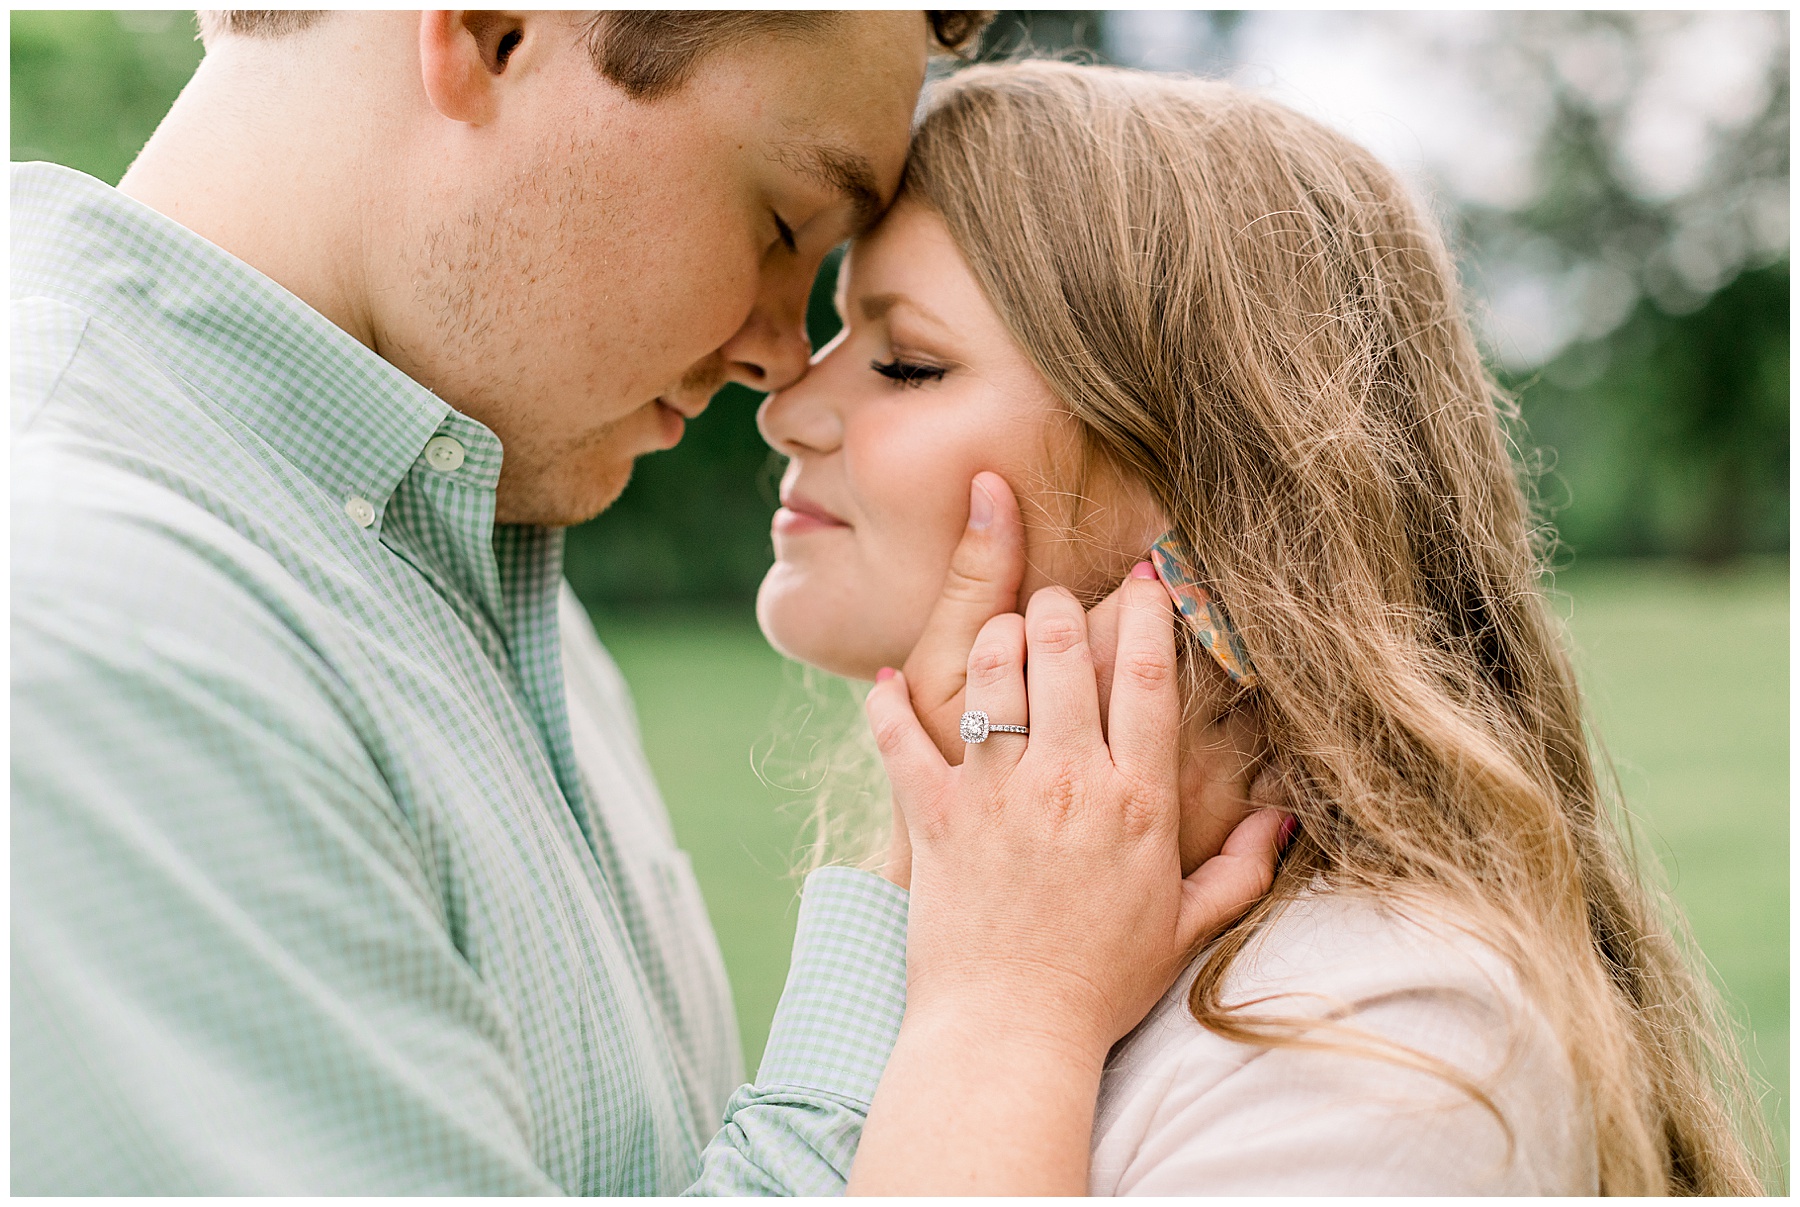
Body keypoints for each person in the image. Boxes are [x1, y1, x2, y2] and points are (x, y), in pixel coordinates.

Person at [13, 14, 1285, 1193]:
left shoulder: (490, 585)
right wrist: (978, 980)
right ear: (495, 33)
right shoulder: (97, 637)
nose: (781, 362)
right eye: (784, 221)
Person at [754, 61, 1772, 1195]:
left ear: (1213, 495)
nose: (789, 406)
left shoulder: (1385, 1044)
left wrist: (1007, 1009)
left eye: (905, 362)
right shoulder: (1004, 927)